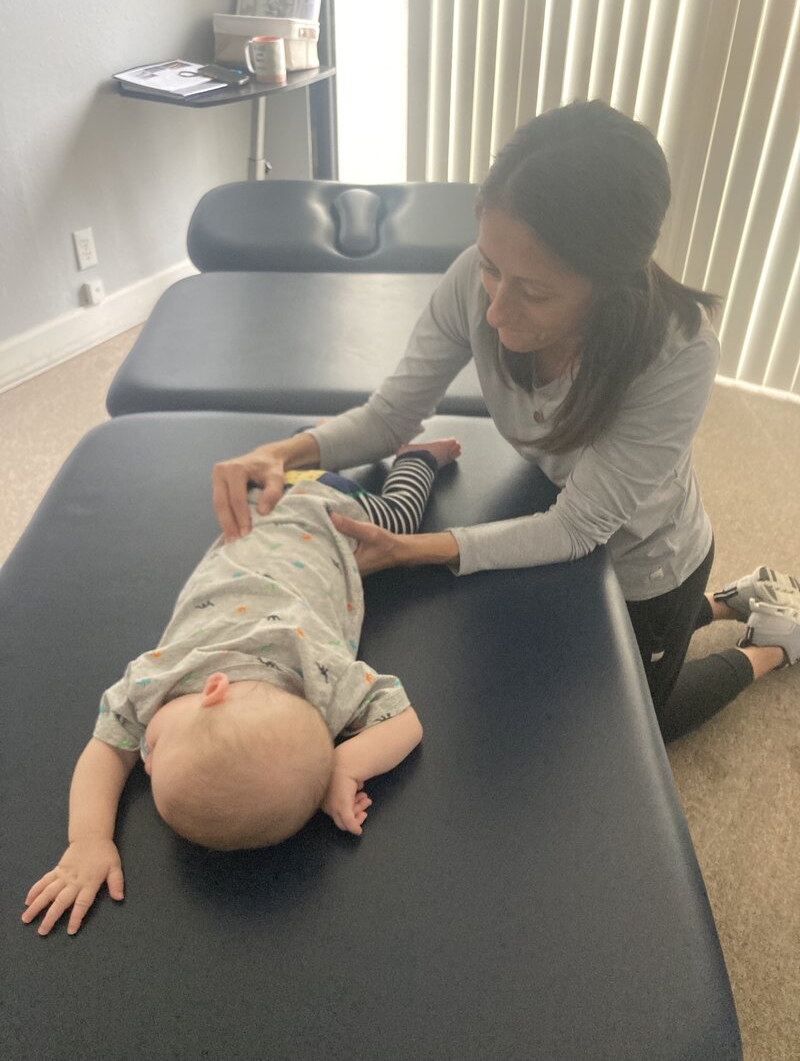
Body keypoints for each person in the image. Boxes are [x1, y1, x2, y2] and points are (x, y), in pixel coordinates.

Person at [210, 99, 800, 743]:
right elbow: (392, 416)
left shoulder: (679, 352)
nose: (494, 311)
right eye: (492, 267)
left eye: (535, 291)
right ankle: (729, 601)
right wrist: (285, 452)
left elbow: (578, 527)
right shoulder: (476, 281)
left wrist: (411, 551)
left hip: (649, 561)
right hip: (560, 524)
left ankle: (773, 642)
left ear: (610, 286)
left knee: (641, 725)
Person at [21, 438, 460, 937]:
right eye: (154, 749)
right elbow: (108, 750)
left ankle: (401, 456)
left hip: (301, 517)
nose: (140, 755)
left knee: (386, 509)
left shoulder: (192, 678)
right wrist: (339, 768)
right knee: (372, 500)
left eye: (150, 755)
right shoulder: (310, 673)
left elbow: (109, 748)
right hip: (299, 513)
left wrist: (91, 842)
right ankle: (386, 453)